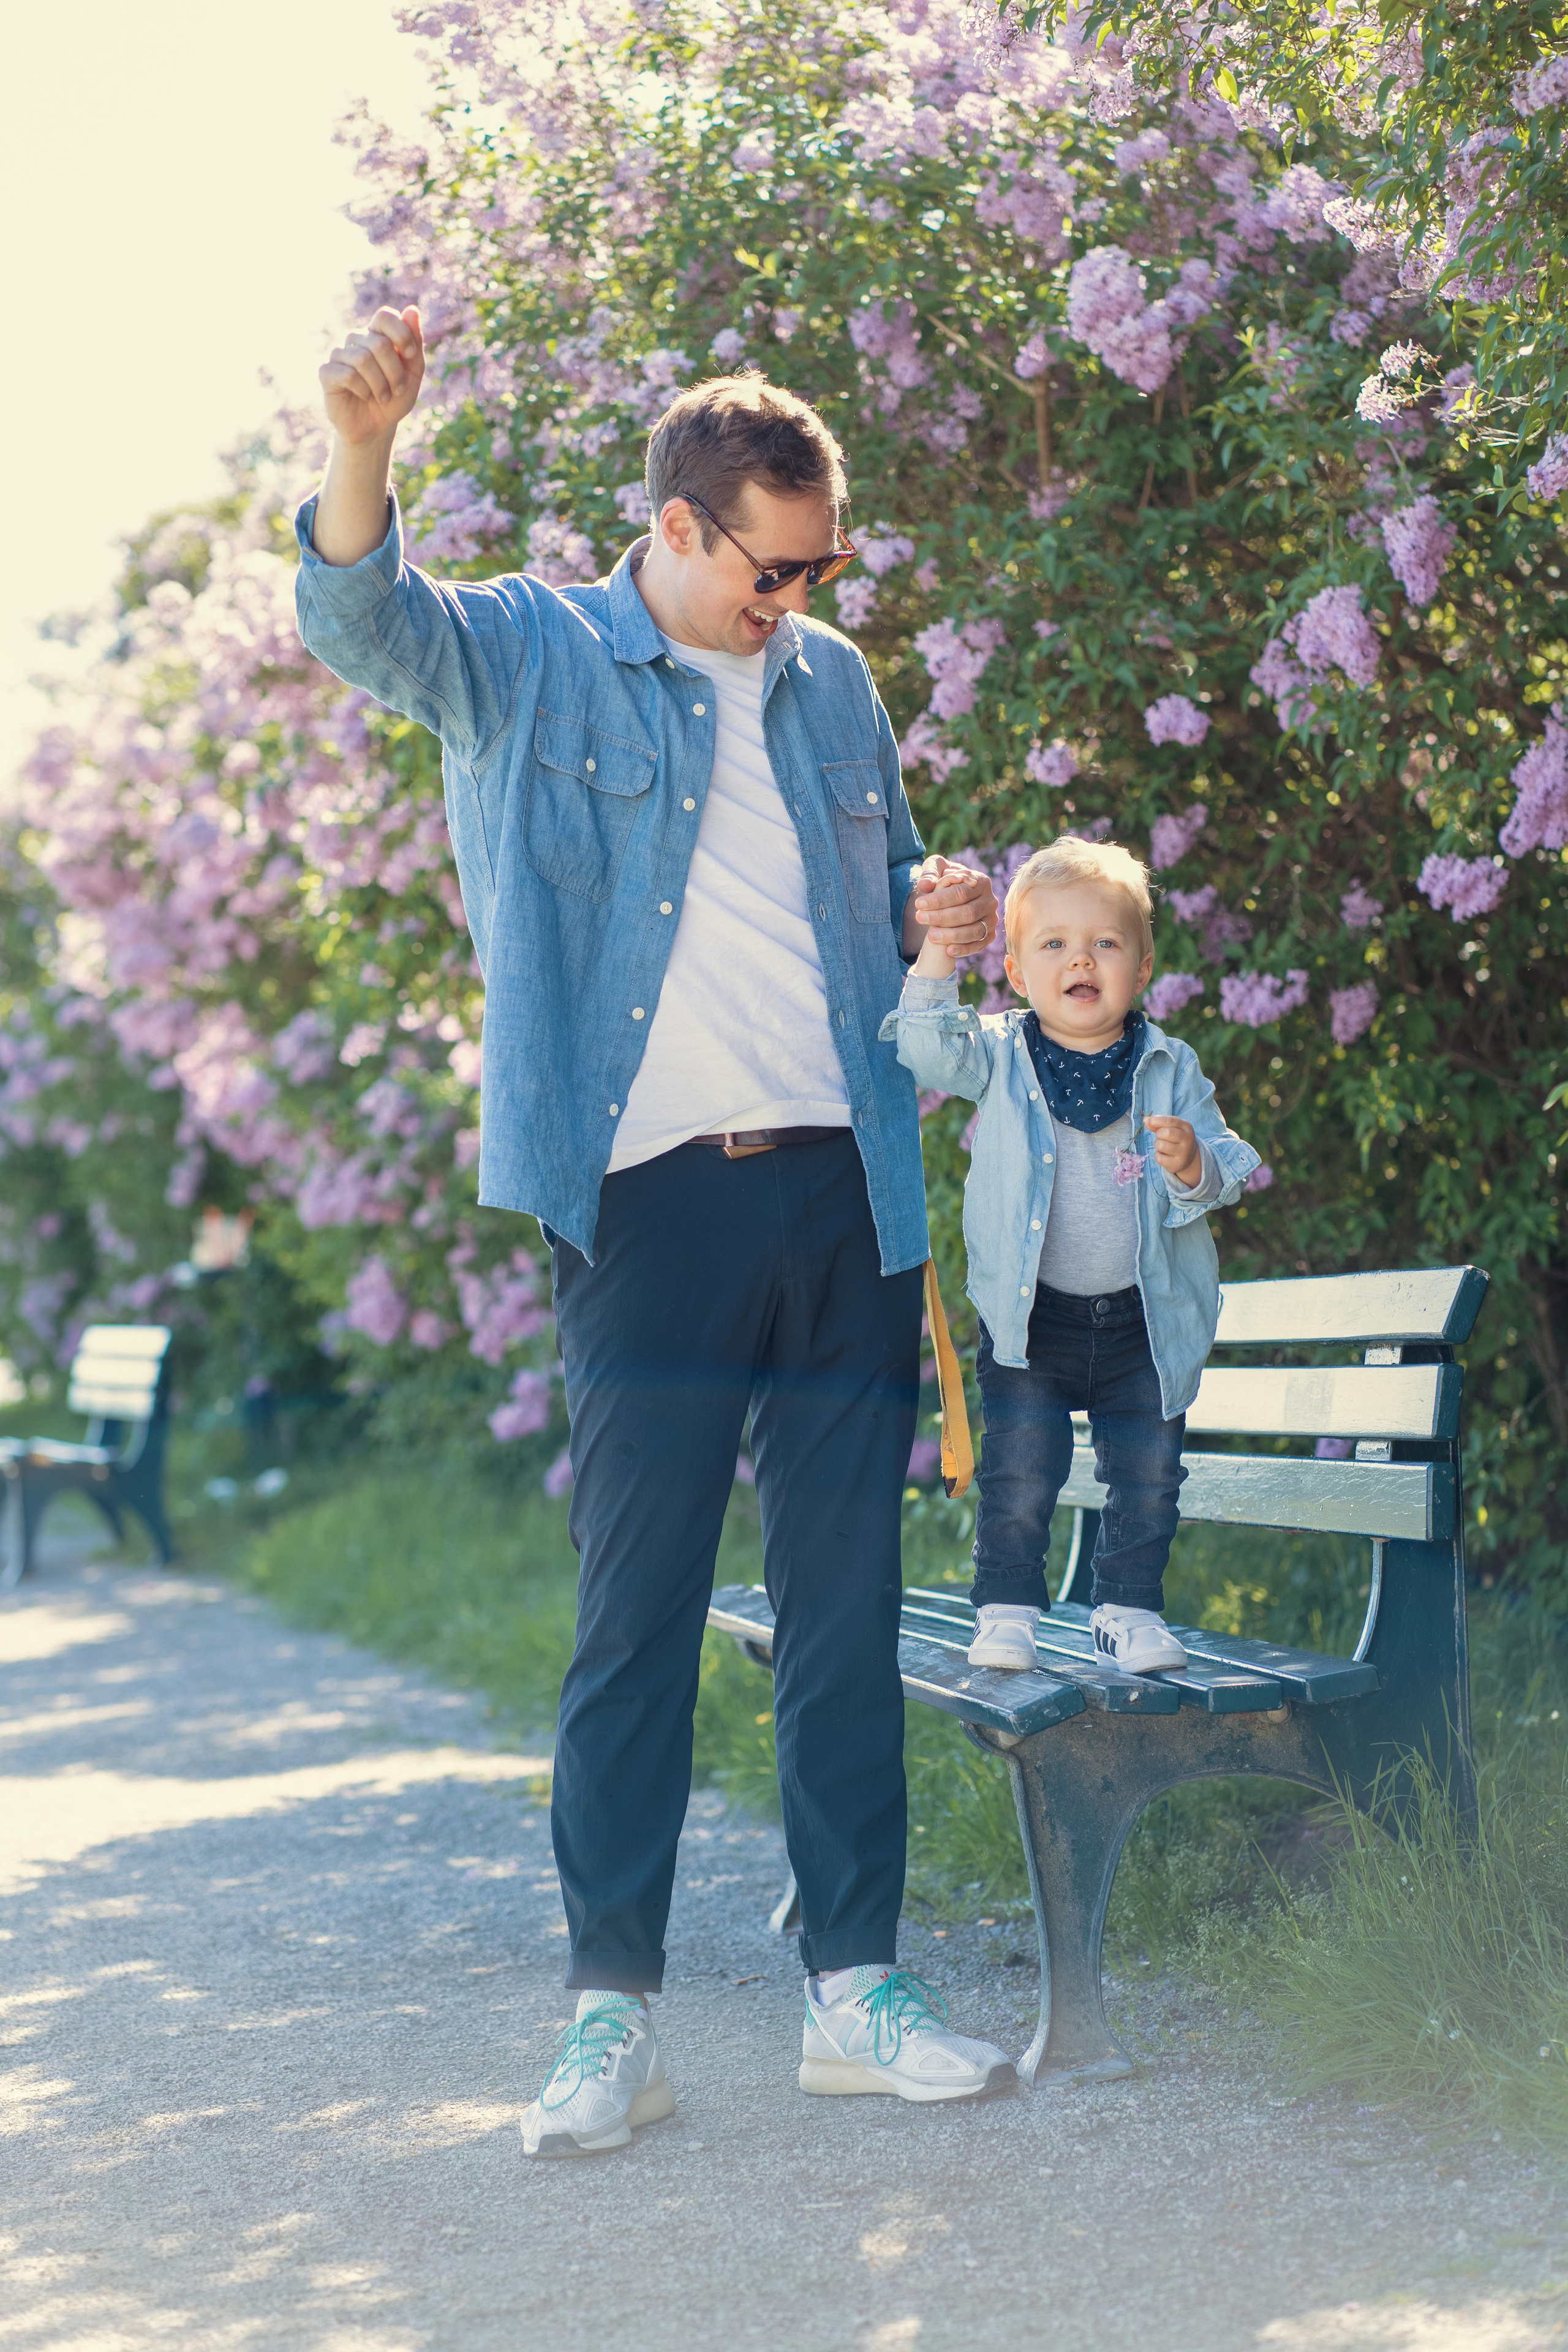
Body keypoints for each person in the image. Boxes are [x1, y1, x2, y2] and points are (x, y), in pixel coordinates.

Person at [295, 303, 1016, 2158]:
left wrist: (942, 936)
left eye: (822, 567)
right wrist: (363, 448)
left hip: (845, 1194)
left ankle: (857, 1989)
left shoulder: (831, 683)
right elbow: (364, 622)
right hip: (648, 1204)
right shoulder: (536, 656)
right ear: (682, 532)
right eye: (774, 569)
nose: (800, 598)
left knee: (848, 1615)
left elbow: (877, 941)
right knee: (638, 1620)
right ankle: (610, 2018)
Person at [883, 836, 1260, 1677]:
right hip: (1033, 1318)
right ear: (1017, 971)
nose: (1080, 959)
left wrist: (1196, 1164)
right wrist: (940, 949)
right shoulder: (1003, 1053)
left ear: (1143, 965)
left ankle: (1127, 1610)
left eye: (1105, 943)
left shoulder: (1168, 1065)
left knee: (1150, 1478)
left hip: (1143, 1316)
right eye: (1053, 944)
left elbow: (1231, 1158)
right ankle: (1009, 1606)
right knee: (1020, 1474)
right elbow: (925, 1046)